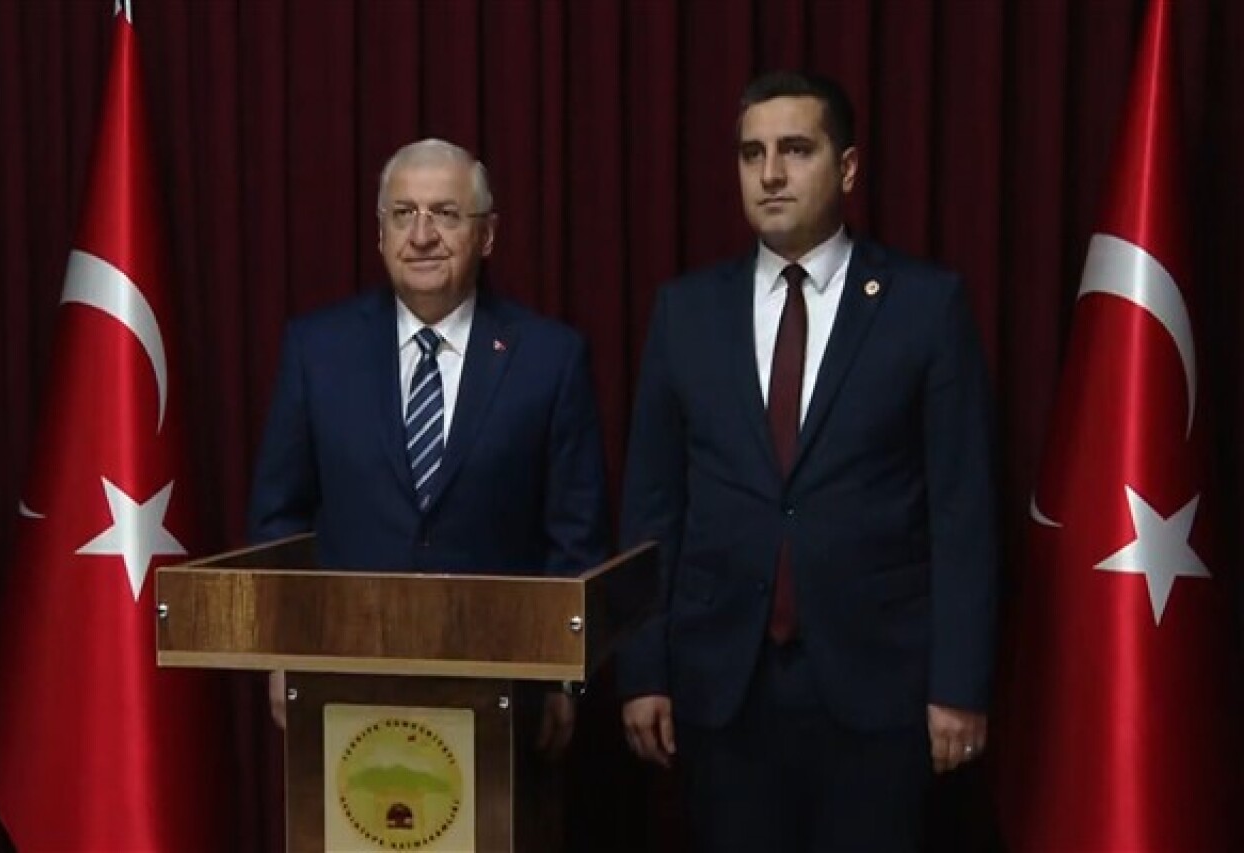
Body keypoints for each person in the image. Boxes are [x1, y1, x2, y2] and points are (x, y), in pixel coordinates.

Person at [617, 72, 999, 851]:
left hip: (879, 689)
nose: (770, 174)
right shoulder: (686, 311)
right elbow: (653, 508)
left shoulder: (925, 306)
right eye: (751, 153)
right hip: (723, 687)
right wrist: (644, 669)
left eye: (795, 149)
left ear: (847, 167)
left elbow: (964, 511)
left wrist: (959, 684)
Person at [247, 139, 610, 762]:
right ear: (379, 233)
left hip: (502, 693)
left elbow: (575, 535)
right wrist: (280, 654)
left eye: (445, 214)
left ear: (487, 235)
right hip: (346, 685)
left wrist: (560, 677)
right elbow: (279, 520)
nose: (421, 236)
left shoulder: (550, 359)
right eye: (403, 214)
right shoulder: (318, 350)